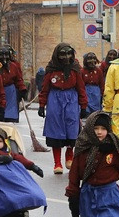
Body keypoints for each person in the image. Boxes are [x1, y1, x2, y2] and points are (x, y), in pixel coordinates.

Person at [37, 44, 87, 174]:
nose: (66, 57)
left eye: (69, 54)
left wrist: (83, 106)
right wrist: (42, 105)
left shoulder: (75, 69)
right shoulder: (51, 68)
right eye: (63, 54)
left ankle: (69, 157)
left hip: (71, 99)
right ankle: (57, 163)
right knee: (55, 129)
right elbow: (45, 88)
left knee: (72, 127)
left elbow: (81, 88)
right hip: (55, 99)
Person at [0, 126, 46, 217]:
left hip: (11, 170)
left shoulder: (8, 152)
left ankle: (31, 196)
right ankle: (8, 202)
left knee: (19, 174)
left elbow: (18, 157)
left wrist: (32, 166)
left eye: (0, 141)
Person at [0, 46, 26, 123]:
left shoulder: (13, 66)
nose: (4, 57)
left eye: (6, 55)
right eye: (1, 55)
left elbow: (18, 78)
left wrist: (22, 89)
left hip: (10, 92)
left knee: (9, 115)